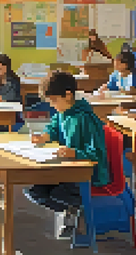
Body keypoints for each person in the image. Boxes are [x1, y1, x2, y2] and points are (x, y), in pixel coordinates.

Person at [26, 71, 110, 238]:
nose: (52, 105)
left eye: (54, 100)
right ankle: (72, 210)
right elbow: (54, 128)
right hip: (69, 169)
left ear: (68, 95)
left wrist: (74, 152)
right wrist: (44, 136)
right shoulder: (63, 112)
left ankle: (78, 210)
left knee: (56, 193)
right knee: (35, 191)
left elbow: (97, 154)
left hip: (87, 174)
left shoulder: (86, 118)